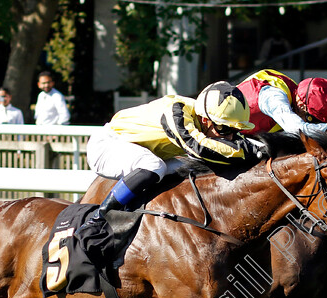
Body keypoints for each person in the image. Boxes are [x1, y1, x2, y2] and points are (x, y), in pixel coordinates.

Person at [83, 81, 263, 230]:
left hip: (141, 151)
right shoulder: (176, 111)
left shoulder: (208, 118)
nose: (230, 136)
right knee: (154, 166)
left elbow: (238, 144)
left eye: (235, 130)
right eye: (224, 129)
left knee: (193, 169)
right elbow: (198, 146)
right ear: (206, 120)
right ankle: (98, 218)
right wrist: (251, 150)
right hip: (107, 146)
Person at [236, 69, 327, 137]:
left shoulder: (299, 95)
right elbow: (300, 130)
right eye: (314, 120)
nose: (315, 124)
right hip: (220, 135)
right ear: (302, 106)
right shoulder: (275, 99)